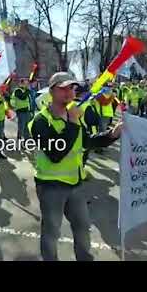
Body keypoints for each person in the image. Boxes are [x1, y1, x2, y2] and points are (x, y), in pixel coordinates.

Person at [28, 72, 122, 261]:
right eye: (63, 88)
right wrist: (72, 122)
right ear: (51, 91)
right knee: (51, 232)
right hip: (50, 186)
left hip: (76, 184)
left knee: (82, 228)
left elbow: (87, 142)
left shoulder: (75, 116)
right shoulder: (40, 121)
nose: (69, 92)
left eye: (72, 87)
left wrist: (112, 135)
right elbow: (56, 154)